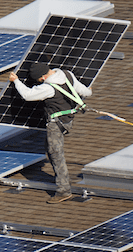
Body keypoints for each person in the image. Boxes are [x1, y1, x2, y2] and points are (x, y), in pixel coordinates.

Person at [8, 62, 92, 204]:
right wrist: (89, 90)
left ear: (42, 77)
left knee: (56, 153)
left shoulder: (48, 88)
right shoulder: (67, 74)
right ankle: (61, 179)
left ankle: (63, 190)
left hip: (56, 123)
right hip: (68, 119)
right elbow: (85, 92)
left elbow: (27, 95)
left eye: (39, 80)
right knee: (50, 148)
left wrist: (16, 80)